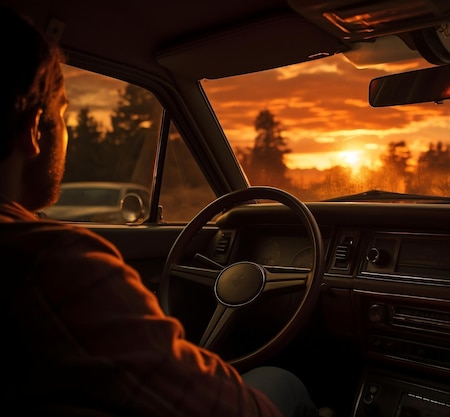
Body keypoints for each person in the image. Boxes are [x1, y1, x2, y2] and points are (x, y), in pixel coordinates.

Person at [0, 6, 320, 417]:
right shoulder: (53, 264)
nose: (68, 133)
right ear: (34, 127)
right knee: (280, 383)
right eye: (64, 114)